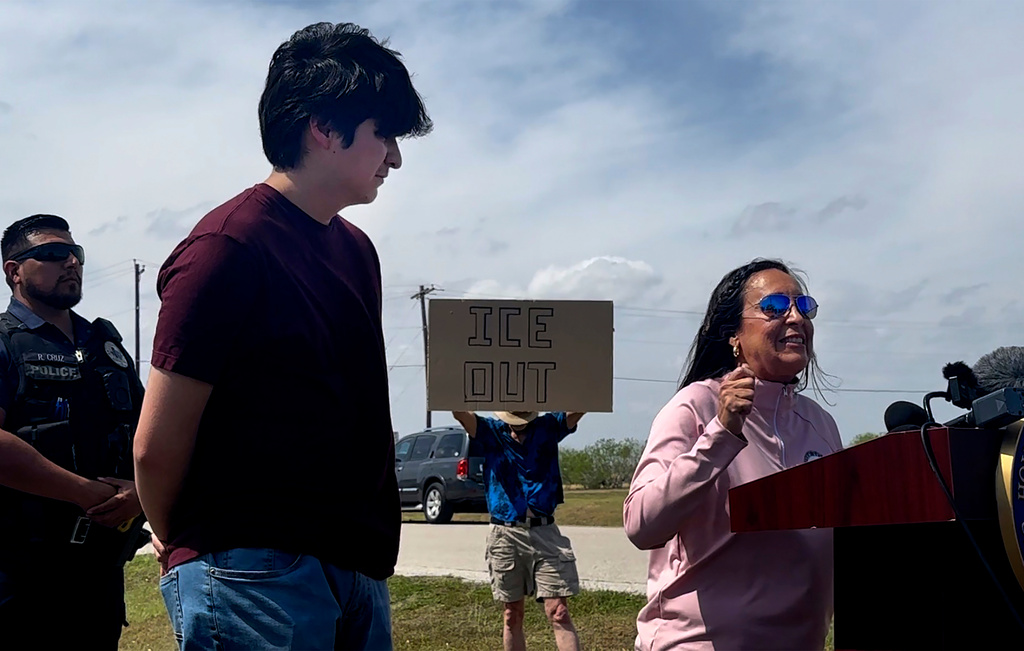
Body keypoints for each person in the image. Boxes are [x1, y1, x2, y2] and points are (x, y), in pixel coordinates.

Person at [132, 21, 431, 650]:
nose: (395, 158)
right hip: (251, 573)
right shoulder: (226, 248)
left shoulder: (357, 250)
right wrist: (177, 540)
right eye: (383, 134)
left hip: (356, 568)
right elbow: (155, 446)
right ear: (322, 127)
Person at [623, 258, 843, 651]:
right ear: (733, 335)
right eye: (775, 306)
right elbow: (642, 525)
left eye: (804, 306)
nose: (796, 317)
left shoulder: (820, 424)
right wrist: (721, 434)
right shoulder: (695, 407)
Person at [0, 214, 146, 650]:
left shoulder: (106, 346)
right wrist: (85, 493)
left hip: (100, 573)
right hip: (19, 577)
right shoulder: (5, 343)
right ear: (14, 271)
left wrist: (141, 494)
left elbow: (148, 433)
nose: (70, 262)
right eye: (51, 253)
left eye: (75, 253)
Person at [451, 409, 586, 651]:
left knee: (559, 611)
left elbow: (579, 408)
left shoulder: (548, 427)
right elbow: (460, 413)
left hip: (545, 532)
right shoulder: (490, 431)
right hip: (505, 534)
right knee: (512, 613)